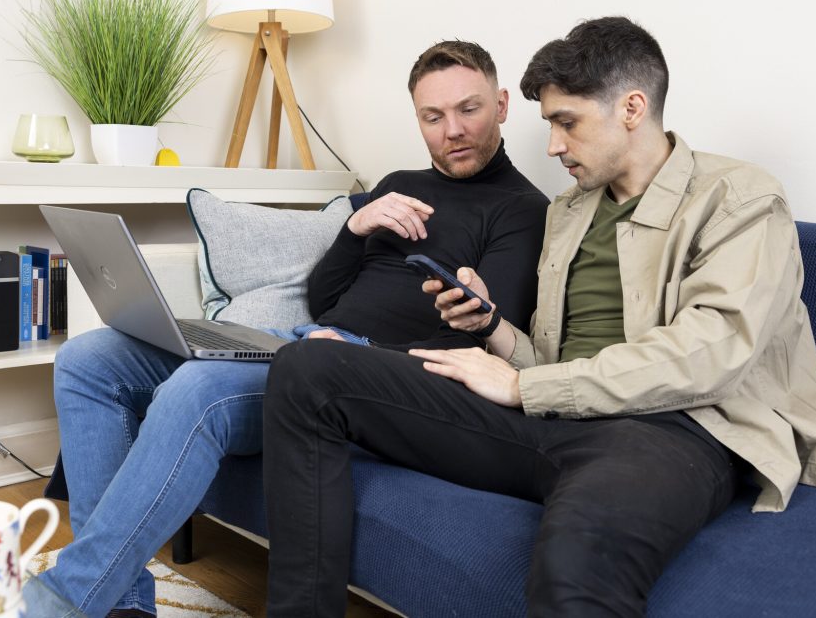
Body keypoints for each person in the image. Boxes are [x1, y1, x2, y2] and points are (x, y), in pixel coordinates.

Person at [262, 16, 816, 617]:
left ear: (633, 108)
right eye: (550, 125)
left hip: (669, 430)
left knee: (573, 574)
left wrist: (523, 385)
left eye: (568, 123)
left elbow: (709, 355)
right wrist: (491, 331)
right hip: (549, 410)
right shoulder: (568, 211)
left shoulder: (739, 199)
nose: (554, 145)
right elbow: (549, 354)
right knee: (310, 369)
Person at [32, 40, 548, 618]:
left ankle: (67, 599)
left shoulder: (524, 209)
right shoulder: (399, 184)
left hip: (360, 383)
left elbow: (476, 336)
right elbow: (324, 298)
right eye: (433, 116)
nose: (452, 129)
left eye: (468, 109)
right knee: (88, 360)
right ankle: (122, 603)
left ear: (502, 105)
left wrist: (357, 362)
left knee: (195, 391)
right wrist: (355, 226)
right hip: (301, 347)